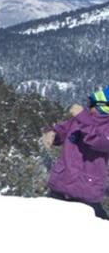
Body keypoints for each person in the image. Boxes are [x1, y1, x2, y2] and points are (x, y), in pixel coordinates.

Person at [42, 87, 109, 219]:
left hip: (87, 192)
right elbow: (62, 130)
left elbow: (97, 141)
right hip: (61, 184)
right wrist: (52, 134)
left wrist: (82, 117)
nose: (88, 107)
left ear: (103, 106)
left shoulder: (91, 122)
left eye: (92, 103)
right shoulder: (80, 119)